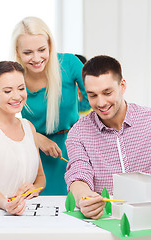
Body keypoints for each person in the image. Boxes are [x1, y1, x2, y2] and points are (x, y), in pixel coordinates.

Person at [65, 55, 151, 220]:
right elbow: (78, 175)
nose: (101, 102)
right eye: (93, 95)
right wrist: (85, 198)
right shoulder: (78, 133)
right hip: (105, 220)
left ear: (122, 86)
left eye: (107, 92)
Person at [11, 17, 88, 195]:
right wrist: (36, 138)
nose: (37, 58)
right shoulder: (13, 76)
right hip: (33, 157)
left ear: (50, 45)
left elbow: (97, 98)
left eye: (42, 50)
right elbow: (1, 122)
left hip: (74, 151)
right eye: (28, 52)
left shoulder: (70, 64)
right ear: (17, 51)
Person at [0, 61, 45, 215]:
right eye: (7, 91)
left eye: (21, 88)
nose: (16, 96)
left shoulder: (28, 127)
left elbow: (40, 177)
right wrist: (7, 203)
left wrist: (35, 188)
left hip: (24, 212)